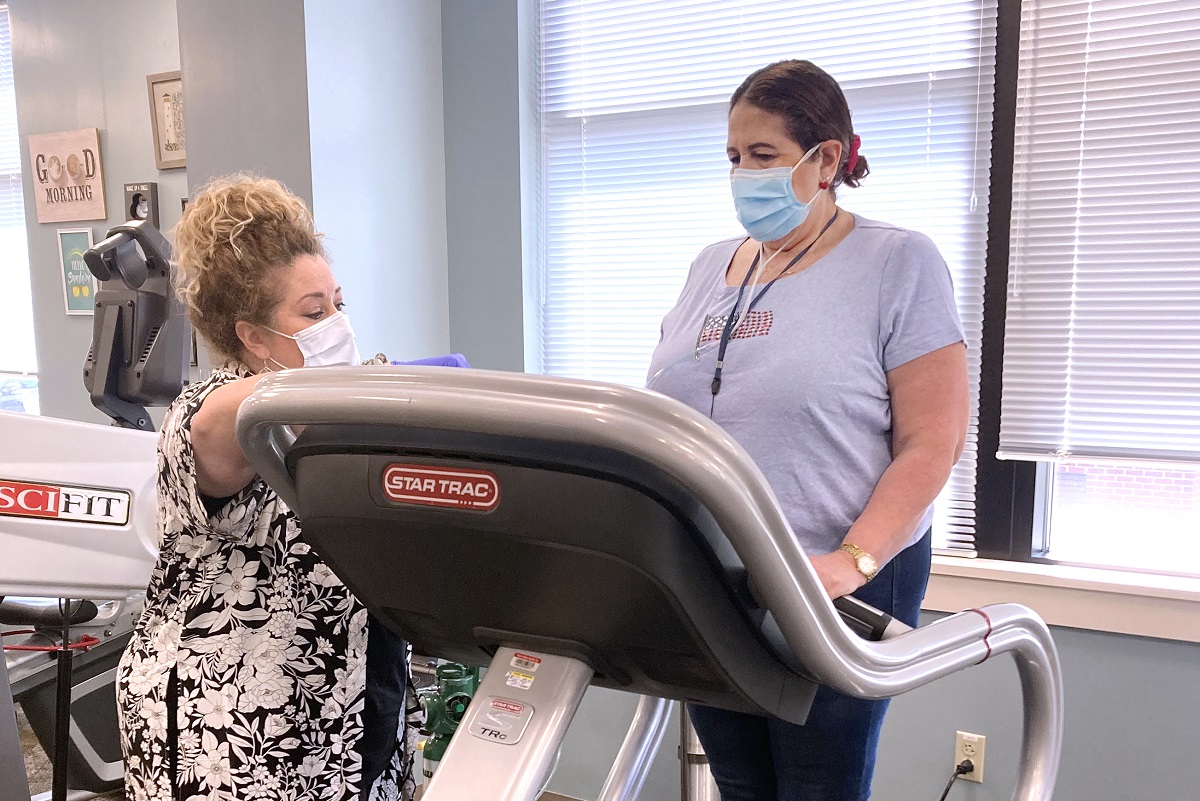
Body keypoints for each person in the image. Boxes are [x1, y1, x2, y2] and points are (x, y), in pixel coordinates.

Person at [645, 60, 969, 800]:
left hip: (839, 571)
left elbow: (933, 439)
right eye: (733, 157)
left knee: (817, 786)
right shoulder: (709, 266)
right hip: (719, 575)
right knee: (742, 783)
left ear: (827, 159)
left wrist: (853, 559)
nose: (742, 175)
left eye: (762, 156)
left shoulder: (896, 260)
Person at [115, 175, 419, 801]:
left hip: (352, 708)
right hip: (230, 734)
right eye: (313, 313)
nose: (336, 323)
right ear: (252, 336)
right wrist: (360, 391)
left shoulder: (344, 411)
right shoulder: (211, 415)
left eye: (339, 303)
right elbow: (230, 421)